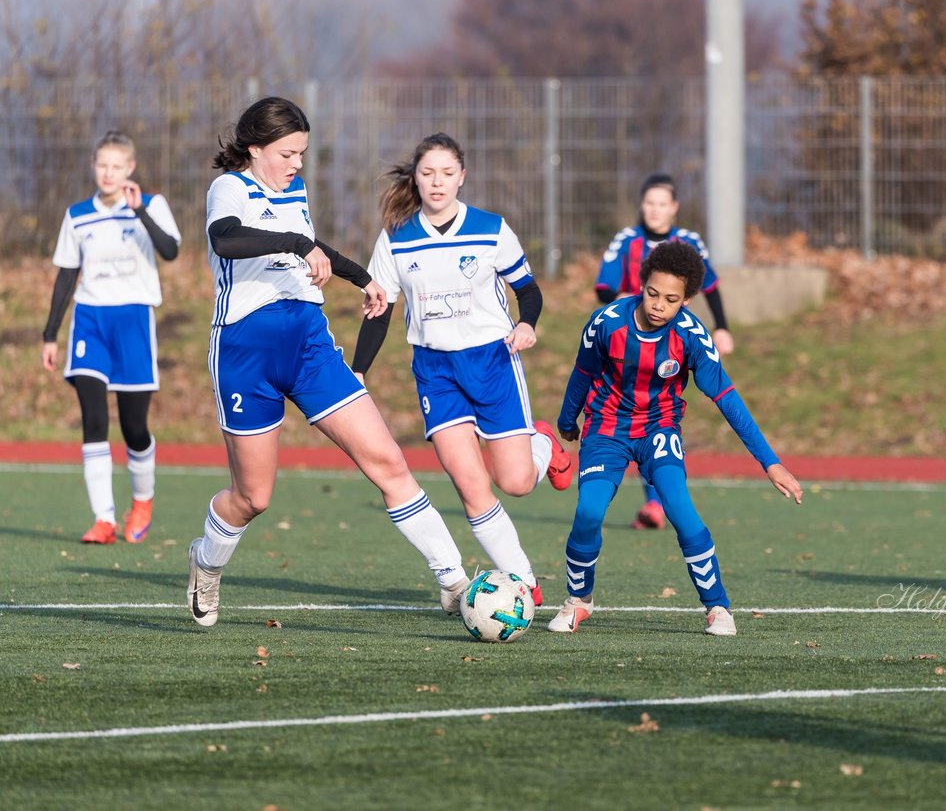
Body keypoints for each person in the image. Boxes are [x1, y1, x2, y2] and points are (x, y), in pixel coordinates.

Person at [187, 98, 471, 627]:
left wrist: (363, 278)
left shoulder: (293, 189)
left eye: (302, 153)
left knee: (387, 461)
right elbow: (225, 239)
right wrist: (297, 242)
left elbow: (311, 247)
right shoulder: (229, 187)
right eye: (288, 153)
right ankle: (205, 562)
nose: (297, 164)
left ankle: (454, 581)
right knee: (253, 498)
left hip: (310, 347)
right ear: (256, 149)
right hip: (246, 353)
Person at [352, 133, 574, 607]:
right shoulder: (395, 234)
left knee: (513, 482)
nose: (437, 182)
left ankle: (543, 444)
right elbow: (380, 308)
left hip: (492, 362)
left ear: (462, 177)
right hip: (436, 372)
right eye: (428, 172)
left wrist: (527, 324)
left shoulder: (491, 229)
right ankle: (525, 583)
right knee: (472, 486)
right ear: (416, 175)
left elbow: (529, 291)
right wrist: (359, 371)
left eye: (447, 173)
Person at [551, 241, 802, 636]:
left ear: (686, 300)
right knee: (588, 514)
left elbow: (727, 399)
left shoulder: (692, 337)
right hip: (607, 427)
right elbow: (582, 374)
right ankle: (578, 601)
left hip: (658, 428)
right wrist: (568, 421)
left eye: (670, 299)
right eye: (652, 293)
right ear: (641, 283)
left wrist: (770, 461)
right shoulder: (606, 322)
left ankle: (718, 607)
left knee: (681, 511)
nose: (657, 305)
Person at [41, 130, 181, 545]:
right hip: (90, 321)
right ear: (93, 166)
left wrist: (139, 212)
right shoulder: (77, 215)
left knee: (134, 427)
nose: (108, 173)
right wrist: (50, 334)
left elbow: (170, 251)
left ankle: (142, 500)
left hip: (134, 319)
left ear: (130, 169)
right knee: (94, 417)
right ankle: (103, 519)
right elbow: (67, 275)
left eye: (117, 166)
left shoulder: (151, 205)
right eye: (102, 165)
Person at [595, 173, 734, 531]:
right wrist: (619, 306)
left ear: (673, 208)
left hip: (671, 342)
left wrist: (721, 327)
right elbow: (604, 287)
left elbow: (712, 286)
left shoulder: (688, 241)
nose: (655, 210)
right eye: (649, 203)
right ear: (642, 205)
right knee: (636, 410)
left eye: (662, 204)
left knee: (659, 411)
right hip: (629, 341)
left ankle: (657, 500)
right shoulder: (627, 240)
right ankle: (649, 500)